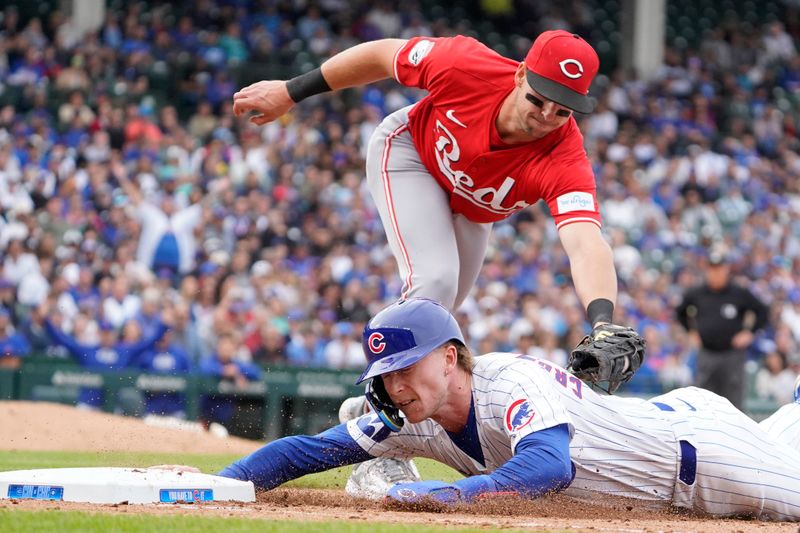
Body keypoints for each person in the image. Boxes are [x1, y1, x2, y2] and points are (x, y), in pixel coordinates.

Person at [234, 29, 643, 492]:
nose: (547, 116)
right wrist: (290, 91)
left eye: (563, 109)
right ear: (521, 74)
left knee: (438, 320)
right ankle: (376, 437)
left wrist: (604, 320)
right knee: (434, 285)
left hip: (470, 207)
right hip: (408, 154)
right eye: (539, 98)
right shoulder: (466, 64)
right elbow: (382, 55)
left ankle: (368, 410)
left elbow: (585, 240)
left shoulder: (565, 154)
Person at [217, 298, 800, 520]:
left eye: (405, 369)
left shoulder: (509, 380)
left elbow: (549, 465)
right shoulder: (418, 415)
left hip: (706, 461)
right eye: (384, 376)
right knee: (786, 430)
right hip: (670, 428)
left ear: (449, 358)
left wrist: (450, 494)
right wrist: (218, 485)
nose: (394, 387)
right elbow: (310, 451)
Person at [675, 248, 769, 409]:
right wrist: (691, 331)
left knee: (733, 400)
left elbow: (763, 311)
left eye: (719, 268)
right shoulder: (697, 293)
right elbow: (680, 312)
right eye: (712, 268)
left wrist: (749, 333)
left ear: (726, 269)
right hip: (707, 353)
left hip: (732, 355)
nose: (715, 272)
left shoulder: (738, 292)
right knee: (703, 399)